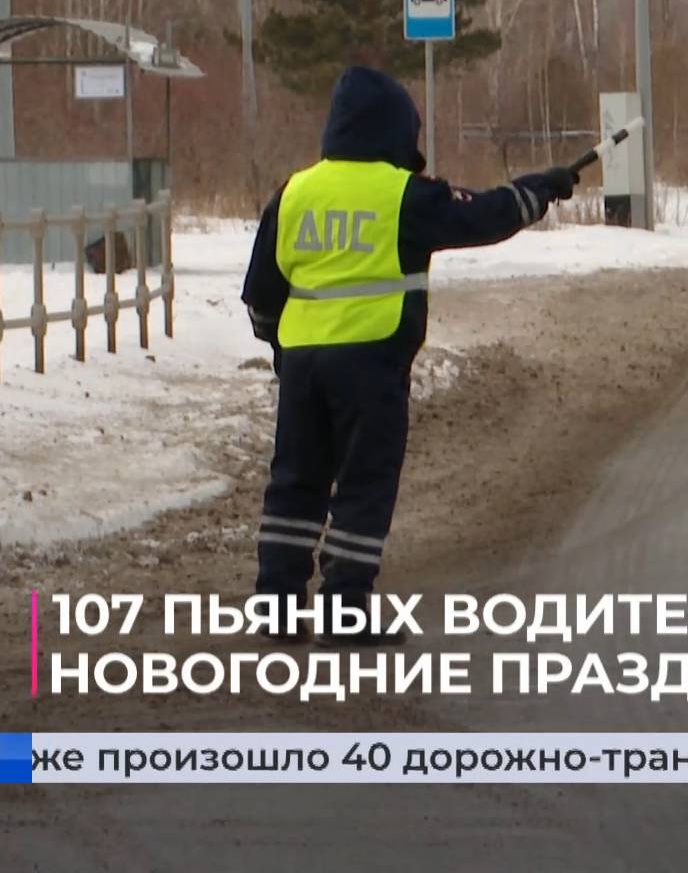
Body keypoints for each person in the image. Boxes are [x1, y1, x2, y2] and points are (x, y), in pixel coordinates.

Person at [240, 64, 579, 646]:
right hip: (370, 362)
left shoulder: (292, 193)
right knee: (364, 482)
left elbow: (261, 293)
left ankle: (276, 603)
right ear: (395, 131)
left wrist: (281, 348)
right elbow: (482, 216)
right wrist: (538, 190)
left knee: (295, 479)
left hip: (302, 365)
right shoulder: (403, 196)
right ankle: (345, 611)